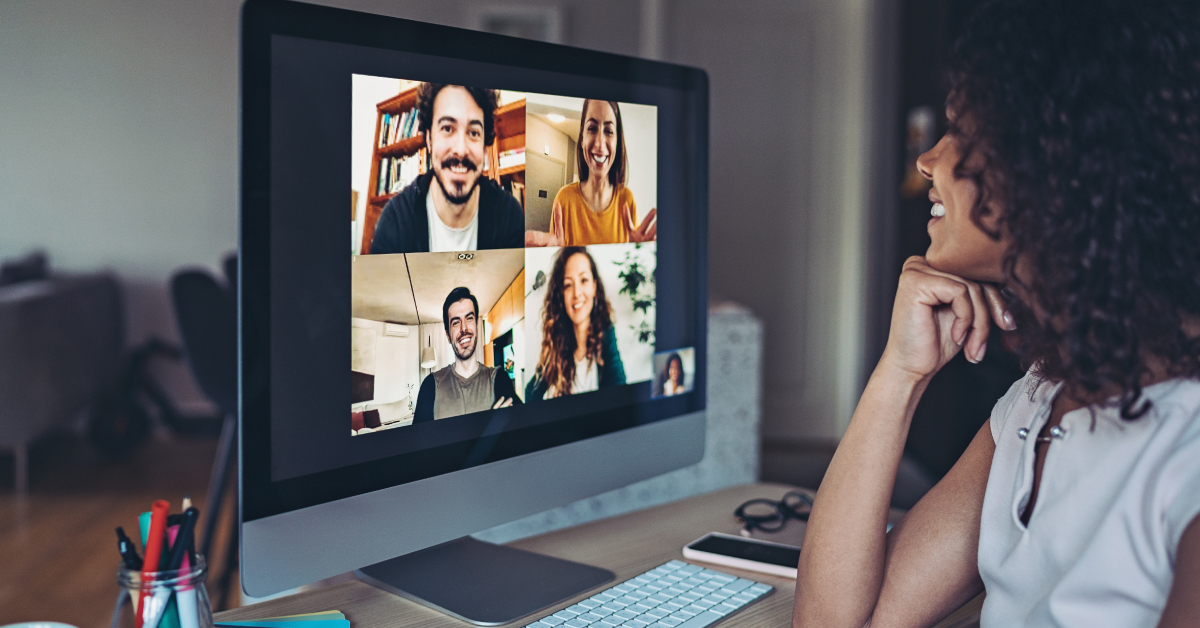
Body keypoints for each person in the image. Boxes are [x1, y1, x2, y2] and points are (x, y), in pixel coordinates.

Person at [793, 2, 1200, 627]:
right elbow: (834, 622)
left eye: (962, 131)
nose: (928, 160)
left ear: (1055, 166)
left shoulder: (1185, 448)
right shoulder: (1039, 401)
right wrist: (899, 376)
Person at [370, 83, 524, 253]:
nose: (460, 149)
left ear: (484, 145)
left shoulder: (509, 216)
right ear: (429, 139)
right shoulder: (396, 220)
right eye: (447, 128)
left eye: (474, 133)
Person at [524, 99, 657, 247]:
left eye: (609, 131)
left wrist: (639, 252)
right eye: (592, 128)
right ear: (582, 138)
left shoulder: (627, 199)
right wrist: (552, 253)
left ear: (617, 141)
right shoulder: (564, 200)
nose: (600, 143)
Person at [526, 247, 626, 400]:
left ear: (594, 287)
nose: (577, 293)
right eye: (568, 285)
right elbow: (530, 393)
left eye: (584, 280)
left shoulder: (606, 334)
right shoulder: (556, 343)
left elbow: (620, 392)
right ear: (561, 294)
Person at [413, 287, 520, 422]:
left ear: (476, 325)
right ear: (448, 335)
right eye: (456, 322)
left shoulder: (499, 379)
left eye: (469, 318)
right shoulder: (430, 386)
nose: (464, 328)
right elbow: (418, 442)